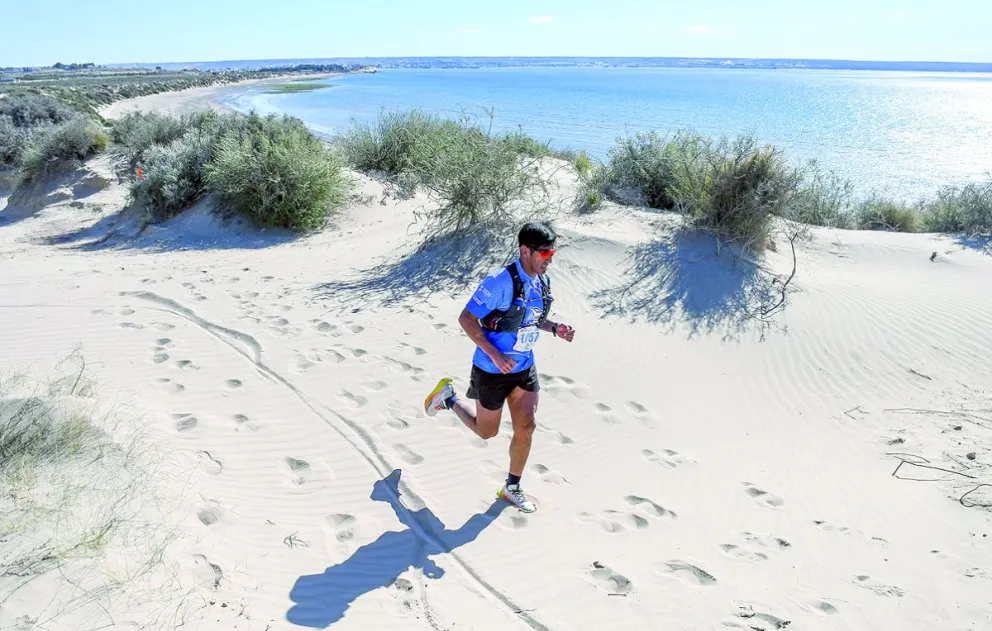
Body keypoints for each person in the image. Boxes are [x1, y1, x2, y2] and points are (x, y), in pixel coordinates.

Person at [423, 222, 576, 513]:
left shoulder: (542, 281)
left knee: (527, 427)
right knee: (486, 432)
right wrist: (494, 354)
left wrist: (554, 328)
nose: (550, 259)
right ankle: (449, 399)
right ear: (525, 251)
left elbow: (530, 319)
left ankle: (512, 487)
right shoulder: (498, 283)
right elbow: (466, 319)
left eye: (552, 253)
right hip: (491, 370)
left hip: (524, 367)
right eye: (544, 253)